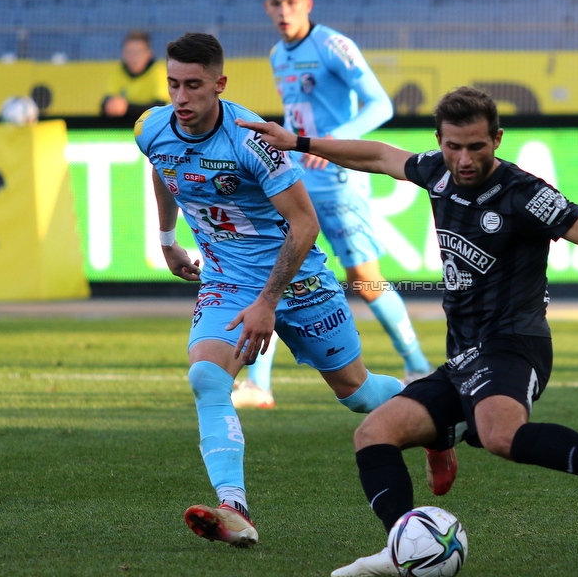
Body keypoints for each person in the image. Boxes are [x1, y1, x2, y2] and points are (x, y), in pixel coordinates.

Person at [235, 86, 578, 577]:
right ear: (439, 141)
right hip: (465, 356)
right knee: (373, 433)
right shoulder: (436, 172)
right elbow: (376, 155)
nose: (463, 159)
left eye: (475, 146)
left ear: (497, 139)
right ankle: (401, 544)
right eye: (452, 146)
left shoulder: (526, 195)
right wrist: (299, 142)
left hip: (515, 343)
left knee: (500, 435)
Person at [134, 32, 416, 548]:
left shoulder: (252, 141)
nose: (181, 98)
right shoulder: (152, 128)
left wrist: (267, 302)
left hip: (300, 279)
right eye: (173, 84)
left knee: (357, 394)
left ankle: (433, 410)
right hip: (227, 280)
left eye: (194, 86)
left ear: (219, 84)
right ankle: (233, 507)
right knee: (206, 377)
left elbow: (305, 224)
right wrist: (168, 240)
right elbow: (162, 168)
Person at [231, 0, 433, 413]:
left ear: (307, 4)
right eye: (275, 3)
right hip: (296, 181)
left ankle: (418, 365)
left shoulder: (333, 46)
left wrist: (333, 142)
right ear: (266, 6)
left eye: (291, 2)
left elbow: (380, 103)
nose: (283, 11)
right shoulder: (277, 55)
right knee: (276, 273)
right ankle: (257, 383)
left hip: (340, 183)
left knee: (366, 279)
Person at [102, 30, 168, 119]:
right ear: (123, 53)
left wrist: (127, 108)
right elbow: (107, 102)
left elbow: (160, 109)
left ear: (149, 54)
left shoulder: (160, 74)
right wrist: (109, 105)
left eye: (138, 52)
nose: (134, 57)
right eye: (129, 52)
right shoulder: (118, 73)